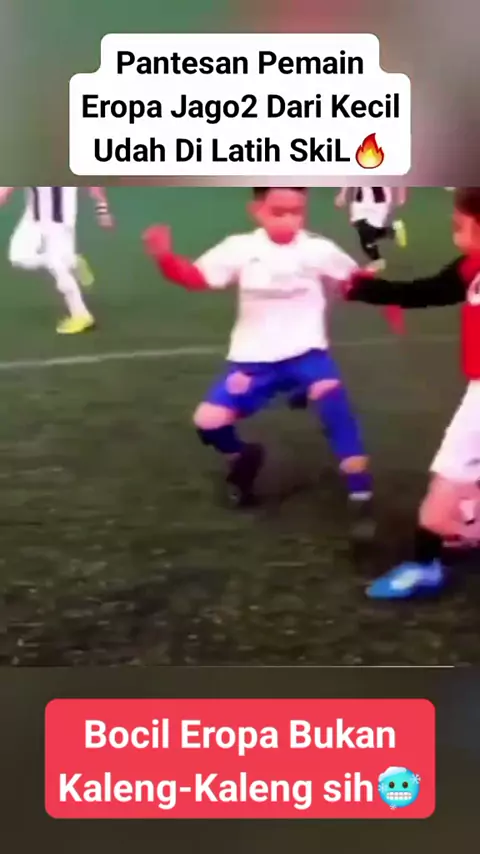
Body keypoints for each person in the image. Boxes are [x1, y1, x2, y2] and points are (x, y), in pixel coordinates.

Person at [144, 187, 374, 536]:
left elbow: (350, 282)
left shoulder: (318, 248)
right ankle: (243, 456)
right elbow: (197, 278)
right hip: (253, 358)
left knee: (331, 397)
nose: (289, 220)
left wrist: (363, 284)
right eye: (279, 211)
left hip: (307, 353)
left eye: (297, 211)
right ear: (257, 210)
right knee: (207, 422)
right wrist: (165, 258)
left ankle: (361, 493)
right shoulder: (240, 248)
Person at [346, 186, 480, 598]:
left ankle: (426, 565)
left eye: (459, 226)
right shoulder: (472, 267)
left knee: (449, 476)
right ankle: (467, 526)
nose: (454, 234)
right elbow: (430, 290)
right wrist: (369, 291)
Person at [0, 186, 113, 334]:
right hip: (33, 218)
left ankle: (81, 315)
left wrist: (102, 211)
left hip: (60, 223)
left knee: (58, 266)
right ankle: (71, 261)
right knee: (18, 257)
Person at [335, 187, 407, 272]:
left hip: (379, 201)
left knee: (366, 231)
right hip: (360, 200)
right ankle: (391, 231)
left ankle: (377, 260)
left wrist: (401, 195)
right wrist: (342, 194)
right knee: (362, 229)